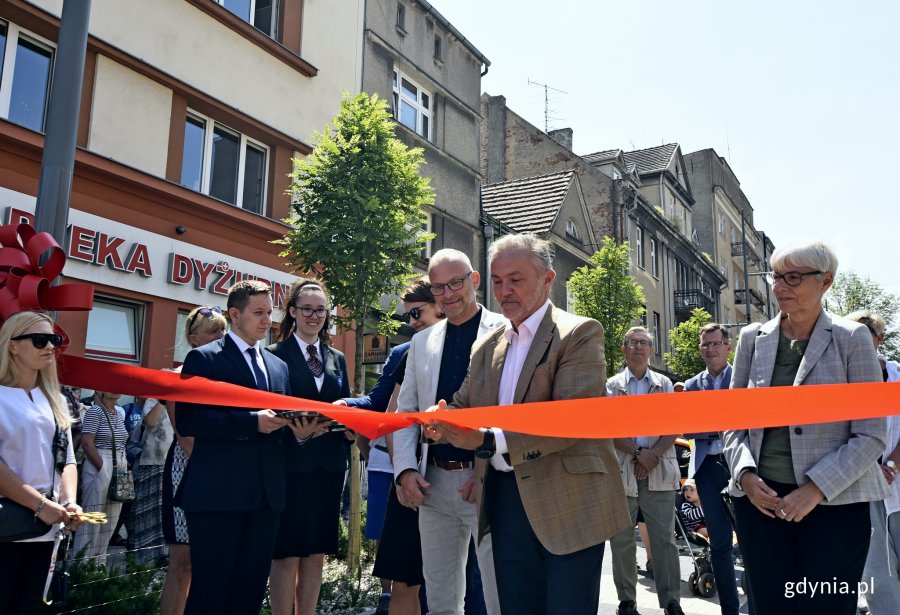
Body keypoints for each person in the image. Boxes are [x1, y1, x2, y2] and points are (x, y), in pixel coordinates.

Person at [425, 233, 630, 615]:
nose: (504, 291)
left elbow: (569, 419)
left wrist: (486, 440)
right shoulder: (486, 347)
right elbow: (460, 406)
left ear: (548, 279)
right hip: (505, 502)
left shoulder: (580, 333)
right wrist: (438, 421)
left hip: (568, 505)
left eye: (516, 279)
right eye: (497, 281)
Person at [723, 241, 888, 615]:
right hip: (760, 507)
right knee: (769, 607)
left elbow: (871, 433)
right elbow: (732, 420)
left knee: (825, 607)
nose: (780, 287)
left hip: (834, 509)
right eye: (776, 276)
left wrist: (815, 490)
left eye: (793, 277)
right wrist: (745, 475)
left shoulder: (852, 338)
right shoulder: (752, 339)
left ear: (825, 281)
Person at [392, 248, 504, 615]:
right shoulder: (421, 342)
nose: (448, 293)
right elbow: (406, 413)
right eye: (438, 287)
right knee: (440, 598)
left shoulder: (506, 332)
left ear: (474, 280)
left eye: (456, 283)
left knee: (498, 591)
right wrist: (405, 472)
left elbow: (510, 413)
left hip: (487, 481)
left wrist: (483, 466)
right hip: (433, 484)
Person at [175, 280, 298, 615]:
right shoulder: (203, 359)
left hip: (265, 496)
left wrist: (303, 430)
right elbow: (190, 421)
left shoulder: (278, 367)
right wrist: (250, 422)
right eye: (258, 313)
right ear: (234, 314)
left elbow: (279, 426)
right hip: (218, 495)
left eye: (269, 312)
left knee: (250, 593)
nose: (267, 320)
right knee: (210, 593)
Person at [337, 277, 445, 615]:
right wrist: (340, 406)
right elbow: (377, 401)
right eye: (408, 316)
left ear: (439, 306)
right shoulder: (405, 351)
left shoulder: (472, 346)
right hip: (412, 472)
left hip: (456, 471)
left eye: (418, 313)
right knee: (409, 570)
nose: (412, 323)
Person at [267, 279, 350, 615]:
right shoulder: (273, 356)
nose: (314, 316)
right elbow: (270, 413)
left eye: (320, 310)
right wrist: (298, 434)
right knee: (286, 554)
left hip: (328, 467)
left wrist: (347, 426)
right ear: (292, 311)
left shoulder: (338, 358)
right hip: (290, 465)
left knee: (316, 554)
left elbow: (345, 402)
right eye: (307, 309)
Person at [0, 311, 82, 613]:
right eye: (39, 340)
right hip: (7, 525)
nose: (49, 346)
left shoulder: (56, 400)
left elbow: (67, 458)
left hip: (48, 528)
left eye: (54, 340)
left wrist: (70, 502)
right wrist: (39, 505)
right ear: (12, 345)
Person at [607, 326, 684, 615]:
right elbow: (608, 429)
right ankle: (627, 601)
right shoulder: (611, 386)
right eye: (632, 342)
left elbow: (674, 425)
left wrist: (651, 456)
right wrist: (639, 454)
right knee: (622, 540)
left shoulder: (665, 385)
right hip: (623, 470)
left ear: (651, 350)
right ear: (624, 349)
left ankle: (671, 601)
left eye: (643, 342)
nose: (638, 347)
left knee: (664, 539)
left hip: (659, 469)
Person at [159, 305, 227, 615]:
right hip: (187, 471)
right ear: (193, 337)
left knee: (214, 563)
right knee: (183, 562)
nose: (220, 335)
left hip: (225, 472)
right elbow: (184, 435)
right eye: (213, 330)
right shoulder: (178, 377)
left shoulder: (231, 376)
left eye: (223, 329)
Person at [683, 323, 746, 615]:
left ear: (728, 346)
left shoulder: (743, 379)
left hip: (741, 465)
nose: (710, 349)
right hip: (708, 468)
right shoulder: (691, 386)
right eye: (705, 345)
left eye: (716, 343)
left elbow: (747, 424)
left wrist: (711, 424)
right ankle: (729, 610)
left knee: (750, 539)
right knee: (719, 542)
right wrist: (719, 425)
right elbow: (688, 428)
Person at [848, 310, 900, 614]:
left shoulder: (897, 377)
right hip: (861, 484)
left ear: (879, 340)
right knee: (878, 572)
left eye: (863, 337)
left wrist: (890, 467)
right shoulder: (840, 380)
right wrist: (869, 467)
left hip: (895, 483)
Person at [74, 390, 129, 565]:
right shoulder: (95, 411)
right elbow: (87, 442)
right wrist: (102, 468)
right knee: (93, 515)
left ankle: (99, 564)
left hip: (118, 463)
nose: (115, 390)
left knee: (111, 519)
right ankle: (82, 563)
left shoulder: (118, 412)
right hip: (101, 461)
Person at [130, 394, 173, 565]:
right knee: (149, 512)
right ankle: (145, 559)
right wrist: (164, 399)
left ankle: (164, 555)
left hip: (173, 463)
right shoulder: (154, 400)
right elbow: (150, 421)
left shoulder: (184, 402)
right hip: (152, 463)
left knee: (167, 513)